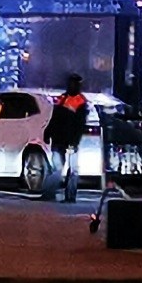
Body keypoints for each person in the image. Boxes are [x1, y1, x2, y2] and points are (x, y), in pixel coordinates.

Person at [44, 71, 93, 204]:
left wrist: (74, 142)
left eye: (74, 83)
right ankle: (49, 193)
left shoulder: (80, 102)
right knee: (57, 168)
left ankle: (69, 196)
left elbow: (79, 125)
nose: (72, 86)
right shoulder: (62, 99)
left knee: (71, 170)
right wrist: (47, 132)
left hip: (69, 141)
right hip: (59, 139)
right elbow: (54, 118)